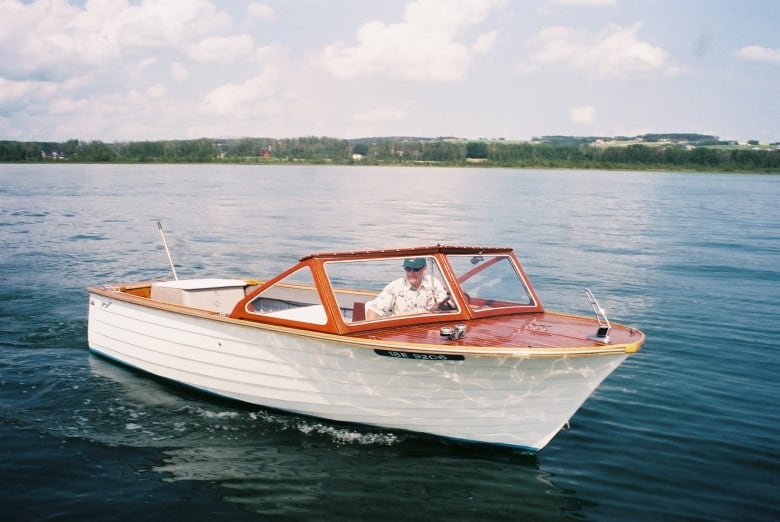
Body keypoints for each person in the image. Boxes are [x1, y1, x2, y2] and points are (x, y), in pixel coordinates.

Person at [365, 257, 451, 320]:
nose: (411, 273)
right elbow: (373, 310)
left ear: (424, 269)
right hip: (401, 331)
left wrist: (440, 308)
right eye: (408, 269)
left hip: (429, 328)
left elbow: (448, 305)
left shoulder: (433, 282)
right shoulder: (395, 286)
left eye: (416, 269)